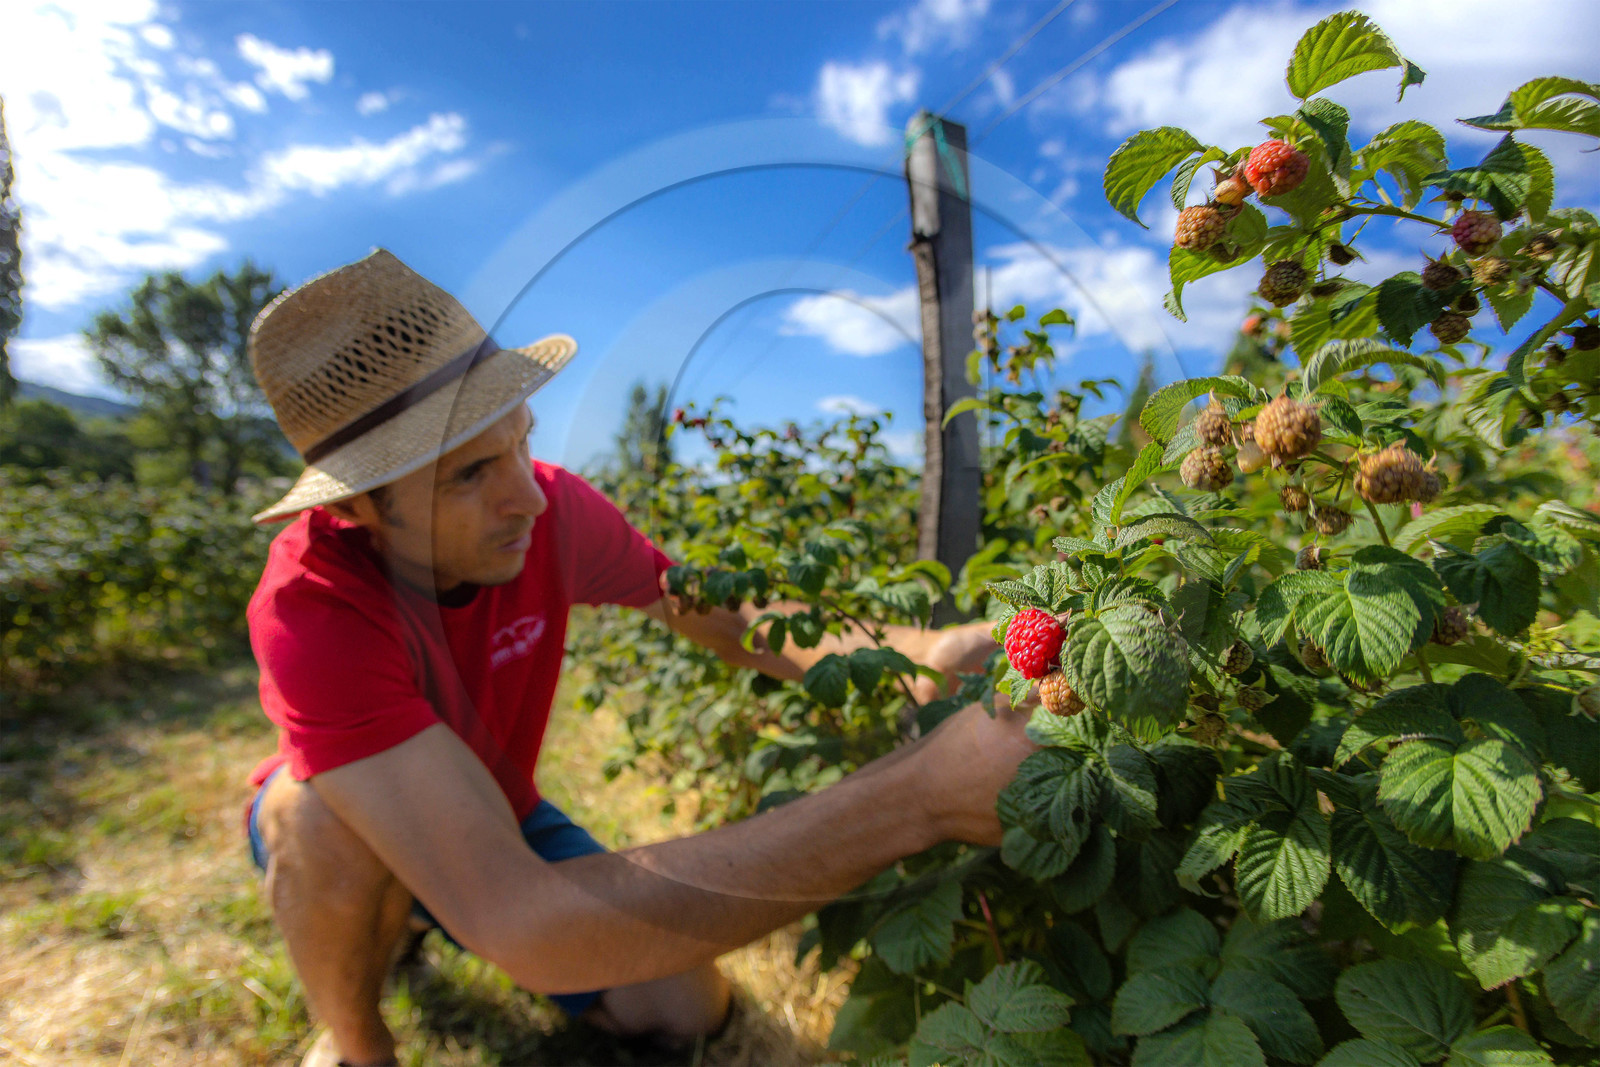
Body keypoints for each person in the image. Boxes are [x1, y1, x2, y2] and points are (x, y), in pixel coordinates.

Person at [241, 249, 1030, 1067]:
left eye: (521, 442)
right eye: (470, 473)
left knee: (686, 1008)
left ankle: (410, 910)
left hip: (497, 813)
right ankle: (355, 1039)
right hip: (371, 817)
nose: (530, 496)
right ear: (363, 506)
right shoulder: (314, 605)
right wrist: (921, 797)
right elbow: (521, 920)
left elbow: (729, 616)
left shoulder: (550, 512)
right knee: (320, 818)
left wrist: (926, 654)